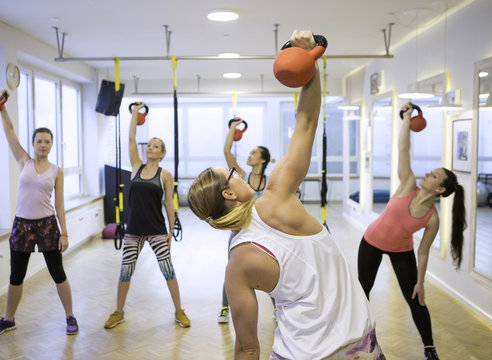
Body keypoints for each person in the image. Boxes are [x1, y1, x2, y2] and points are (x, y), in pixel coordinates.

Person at [188, 30, 384, 360]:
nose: (237, 172)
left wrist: (306, 61)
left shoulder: (236, 265)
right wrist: (309, 62)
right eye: (232, 174)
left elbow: (247, 348)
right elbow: (306, 121)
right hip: (358, 347)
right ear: (229, 194)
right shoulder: (277, 195)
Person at [357, 102, 466, 360]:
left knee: (416, 298)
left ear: (440, 190)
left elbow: (424, 252)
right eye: (431, 171)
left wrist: (421, 282)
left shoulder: (432, 218)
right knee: (363, 289)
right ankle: (359, 340)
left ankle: (430, 350)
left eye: (435, 175)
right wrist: (406, 118)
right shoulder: (408, 184)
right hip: (371, 241)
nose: (428, 173)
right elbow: (403, 148)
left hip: (401, 250)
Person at [0, 89, 78, 336]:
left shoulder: (56, 171)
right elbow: (9, 132)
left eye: (47, 141)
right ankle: (8, 319)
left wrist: (65, 233)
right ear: (33, 143)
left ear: (51, 144)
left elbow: (59, 204)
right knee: (16, 276)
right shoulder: (23, 161)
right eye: (39, 141)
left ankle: (70, 316)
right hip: (22, 225)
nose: (43, 145)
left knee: (57, 273)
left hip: (48, 225)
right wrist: (1, 106)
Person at [104, 102, 190, 329]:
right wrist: (134, 114)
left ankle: (179, 311)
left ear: (162, 154)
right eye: (149, 145)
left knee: (168, 270)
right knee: (126, 271)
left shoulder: (165, 175)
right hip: (133, 230)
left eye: (155, 146)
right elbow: (131, 139)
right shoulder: (136, 167)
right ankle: (118, 312)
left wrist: (171, 230)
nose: (150, 148)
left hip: (156, 230)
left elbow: (169, 204)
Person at [218, 119, 274, 324]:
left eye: (253, 153)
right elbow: (227, 153)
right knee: (232, 268)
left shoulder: (270, 182)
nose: (249, 155)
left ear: (262, 159)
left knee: (271, 267)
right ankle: (225, 308)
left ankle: (277, 307)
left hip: (264, 232)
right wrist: (233, 127)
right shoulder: (242, 176)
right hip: (240, 231)